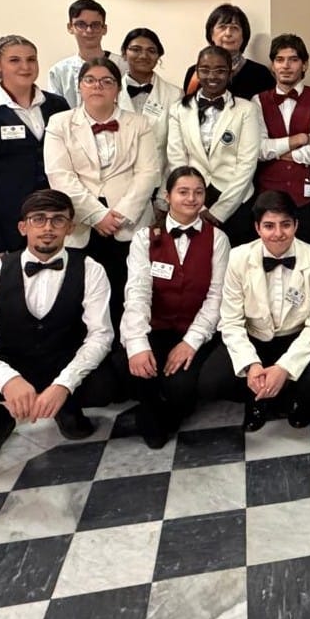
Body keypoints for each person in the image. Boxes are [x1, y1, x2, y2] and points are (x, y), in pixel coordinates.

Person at [0, 190, 116, 471]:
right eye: (38, 219)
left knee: (109, 383)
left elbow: (100, 335)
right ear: (23, 227)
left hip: (65, 357)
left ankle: (66, 406)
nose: (48, 228)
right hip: (14, 358)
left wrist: (64, 384)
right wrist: (7, 380)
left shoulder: (91, 270)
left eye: (58, 220)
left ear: (70, 228)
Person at [118, 167, 231, 449]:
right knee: (139, 368)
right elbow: (137, 293)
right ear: (167, 196)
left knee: (180, 385)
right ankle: (151, 410)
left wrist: (190, 343)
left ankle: (173, 407)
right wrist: (138, 344)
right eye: (183, 192)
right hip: (156, 327)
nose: (191, 198)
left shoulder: (218, 239)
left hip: (196, 328)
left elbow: (216, 297)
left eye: (198, 192)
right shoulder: (144, 238)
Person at [44, 57, 161, 328]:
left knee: (126, 291)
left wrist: (119, 215)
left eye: (107, 81)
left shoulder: (139, 123)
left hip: (127, 222)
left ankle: (125, 345)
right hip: (81, 222)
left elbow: (148, 173)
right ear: (79, 86)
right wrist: (97, 215)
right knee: (81, 292)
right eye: (90, 80)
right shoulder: (59, 123)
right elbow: (60, 176)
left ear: (118, 88)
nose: (98, 86)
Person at [209, 190, 310, 432]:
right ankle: (257, 397)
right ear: (257, 228)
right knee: (212, 381)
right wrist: (251, 365)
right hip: (255, 337)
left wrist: (285, 368)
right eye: (269, 226)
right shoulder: (238, 258)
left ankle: (298, 399)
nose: (278, 233)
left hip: (296, 337)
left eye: (285, 224)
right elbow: (231, 321)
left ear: (296, 225)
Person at [0, 35, 70, 260]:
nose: (25, 67)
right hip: (9, 226)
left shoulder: (57, 105)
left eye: (31, 59)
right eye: (14, 60)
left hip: (58, 220)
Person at [166, 45, 261, 247]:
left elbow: (247, 163)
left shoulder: (247, 109)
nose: (212, 76)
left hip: (236, 199)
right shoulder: (178, 109)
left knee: (236, 259)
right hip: (193, 198)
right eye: (205, 69)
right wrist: (197, 205)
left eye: (220, 70)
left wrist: (221, 210)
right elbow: (176, 158)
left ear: (230, 73)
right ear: (196, 72)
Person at [252, 34, 310, 244]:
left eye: (293, 60)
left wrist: (278, 152)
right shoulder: (258, 101)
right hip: (268, 199)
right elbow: (258, 151)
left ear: (304, 65)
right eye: (280, 60)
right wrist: (299, 139)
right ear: (272, 66)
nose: (286, 66)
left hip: (309, 200)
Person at [117, 27, 183, 176]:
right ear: (124, 53)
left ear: (158, 56)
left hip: (158, 178)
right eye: (136, 49)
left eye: (151, 51)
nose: (143, 56)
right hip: (117, 179)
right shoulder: (109, 92)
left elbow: (177, 148)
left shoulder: (175, 95)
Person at [182, 3, 274, 100]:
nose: (228, 33)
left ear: (244, 36)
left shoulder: (261, 74)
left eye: (234, 28)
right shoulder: (195, 74)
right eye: (222, 27)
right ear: (211, 34)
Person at [46, 0, 126, 107]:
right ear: (70, 27)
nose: (89, 30)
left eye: (95, 25)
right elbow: (55, 110)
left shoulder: (123, 66)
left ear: (104, 29)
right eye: (81, 24)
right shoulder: (59, 72)